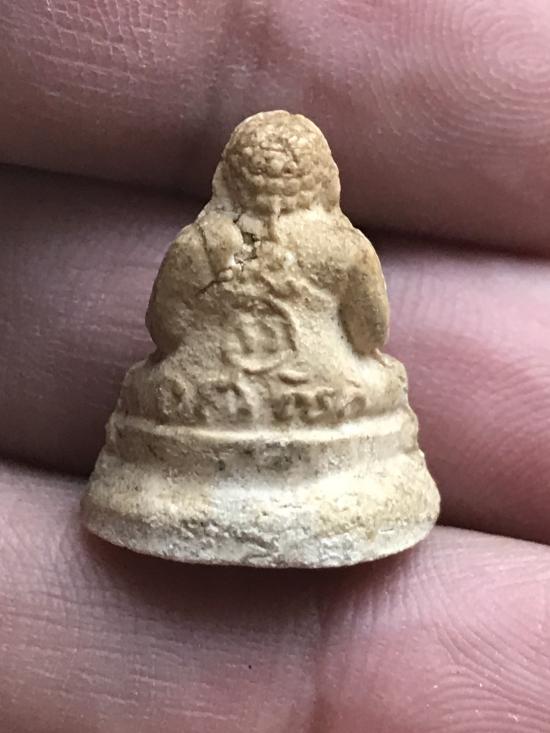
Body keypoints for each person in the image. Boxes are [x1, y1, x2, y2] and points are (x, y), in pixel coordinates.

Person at [1, 1, 549, 731]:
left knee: (162, 383)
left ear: (231, 176)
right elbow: (370, 332)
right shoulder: (342, 247)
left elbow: (166, 325)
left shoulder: (201, 244)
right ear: (322, 176)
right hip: (328, 406)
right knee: (375, 378)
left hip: (204, 404)